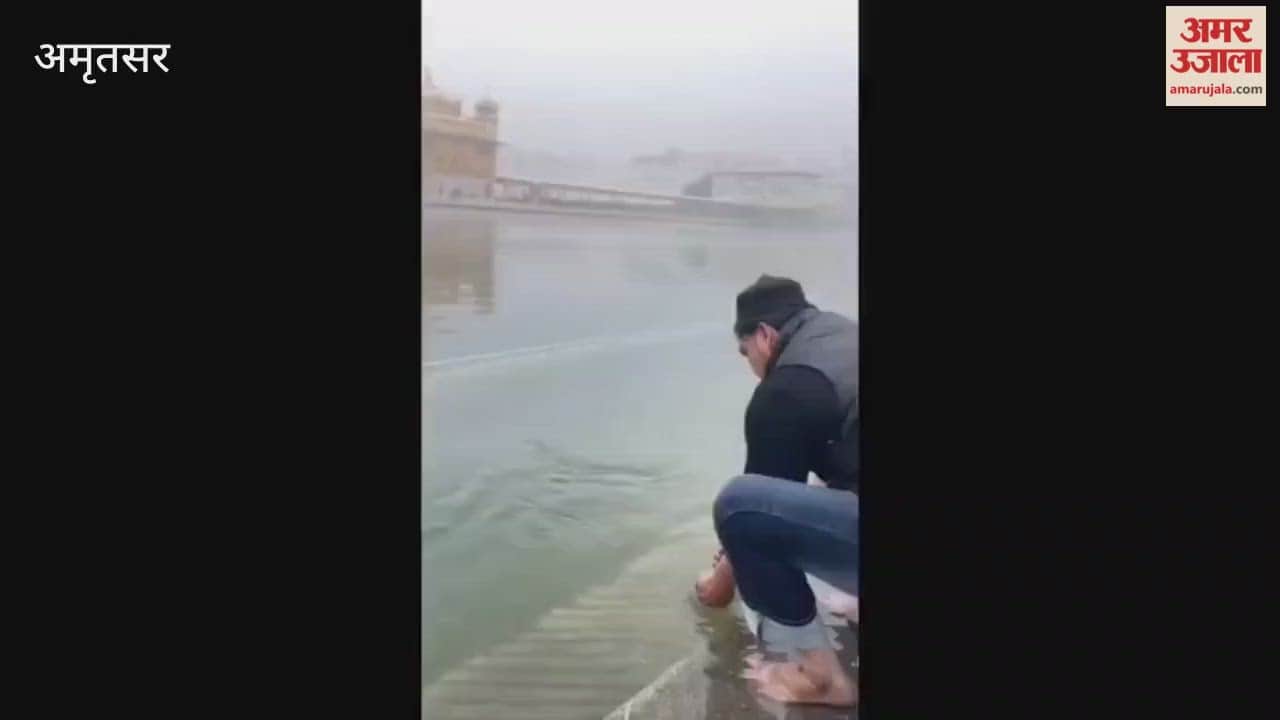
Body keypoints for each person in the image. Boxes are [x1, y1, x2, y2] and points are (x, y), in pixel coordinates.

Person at [694, 274, 859, 708]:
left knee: (739, 507)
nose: (749, 365)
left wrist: (718, 583)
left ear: (764, 336)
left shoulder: (785, 391)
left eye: (745, 352)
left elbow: (760, 515)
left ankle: (818, 677)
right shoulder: (845, 337)